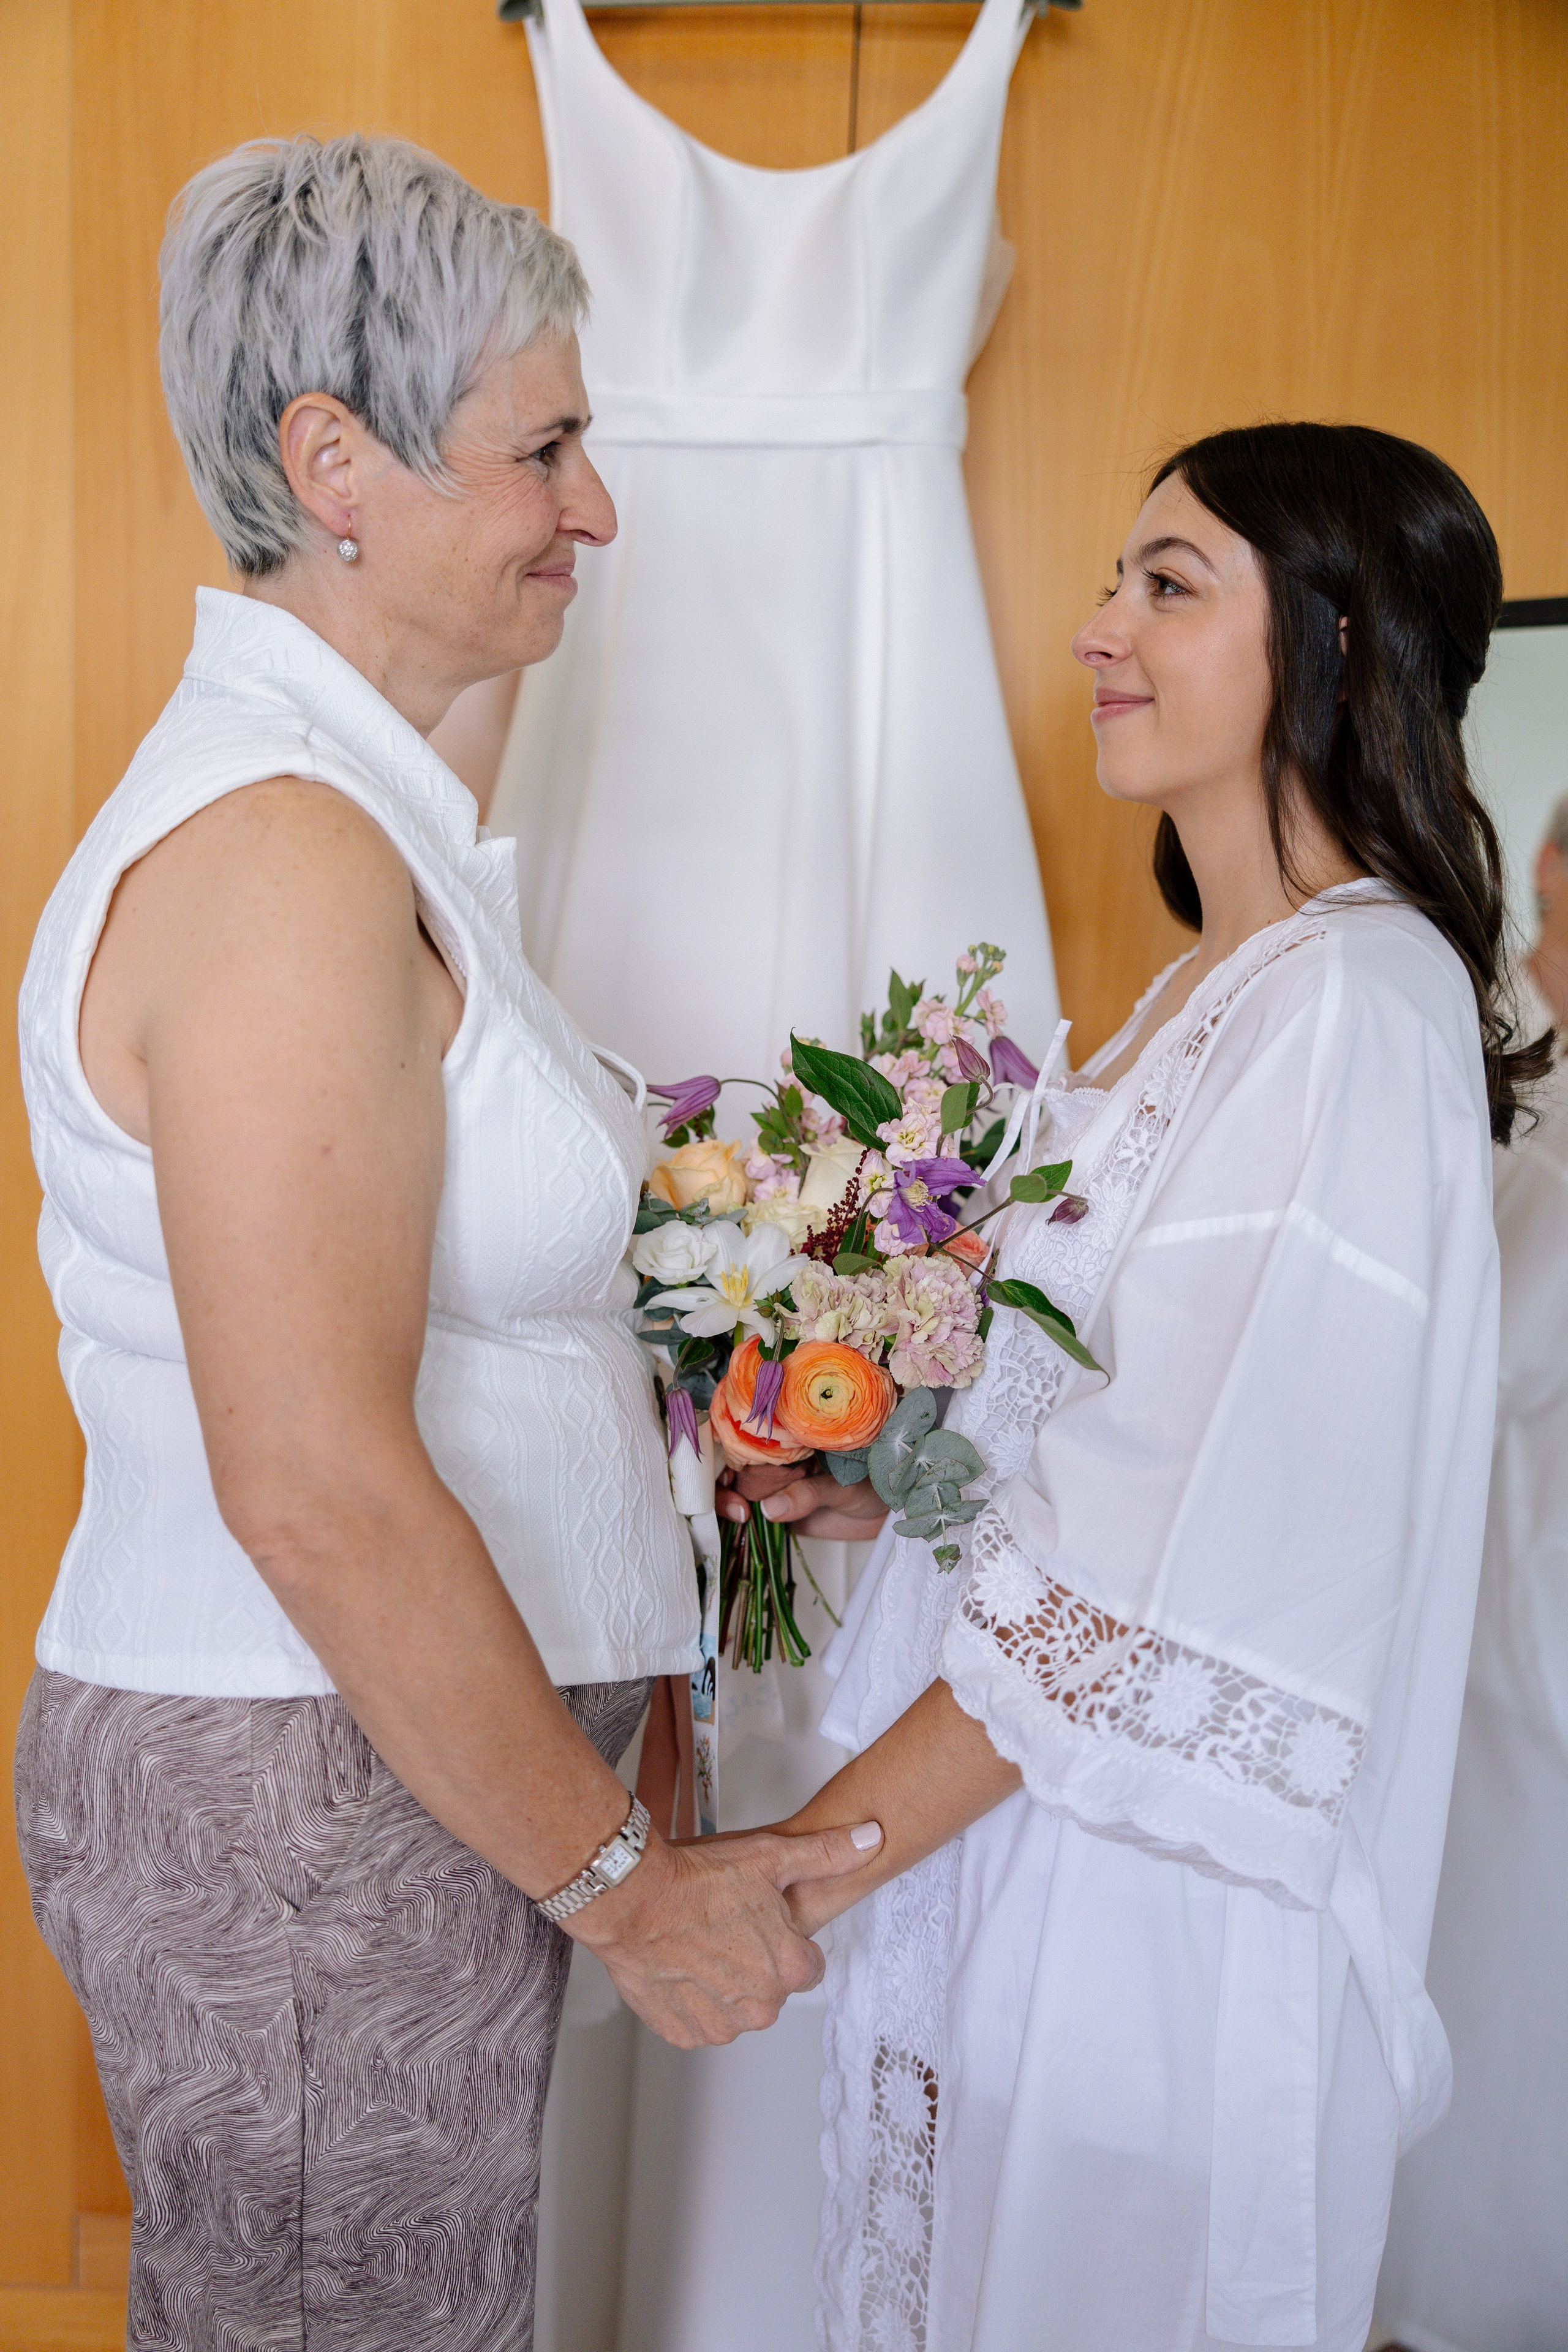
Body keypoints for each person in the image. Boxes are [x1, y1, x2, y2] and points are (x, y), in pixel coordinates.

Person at [12, 134, 876, 2352]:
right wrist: (618, 1880)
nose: (595, 510)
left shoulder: (372, 810)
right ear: (336, 464)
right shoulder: (280, 859)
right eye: (547, 448)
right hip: (315, 1802)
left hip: (399, 1787)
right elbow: (306, 1474)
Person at [734, 421, 1547, 2351]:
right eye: (1112, 578)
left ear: (1337, 648)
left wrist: (786, 1875)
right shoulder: (1213, 991)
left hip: (1142, 1920)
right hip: (1030, 1871)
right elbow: (1125, 1439)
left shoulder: (1355, 1008)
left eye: (1168, 585)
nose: (1096, 630)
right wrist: (904, 1467)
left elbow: (1149, 1589)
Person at [1375, 799, 1568, 2352]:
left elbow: (1481, 1351)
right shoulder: (1542, 1083)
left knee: (1509, 1980)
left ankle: (1472, 2303)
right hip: (1497, 1605)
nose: (1532, 942)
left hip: (1526, 1633)